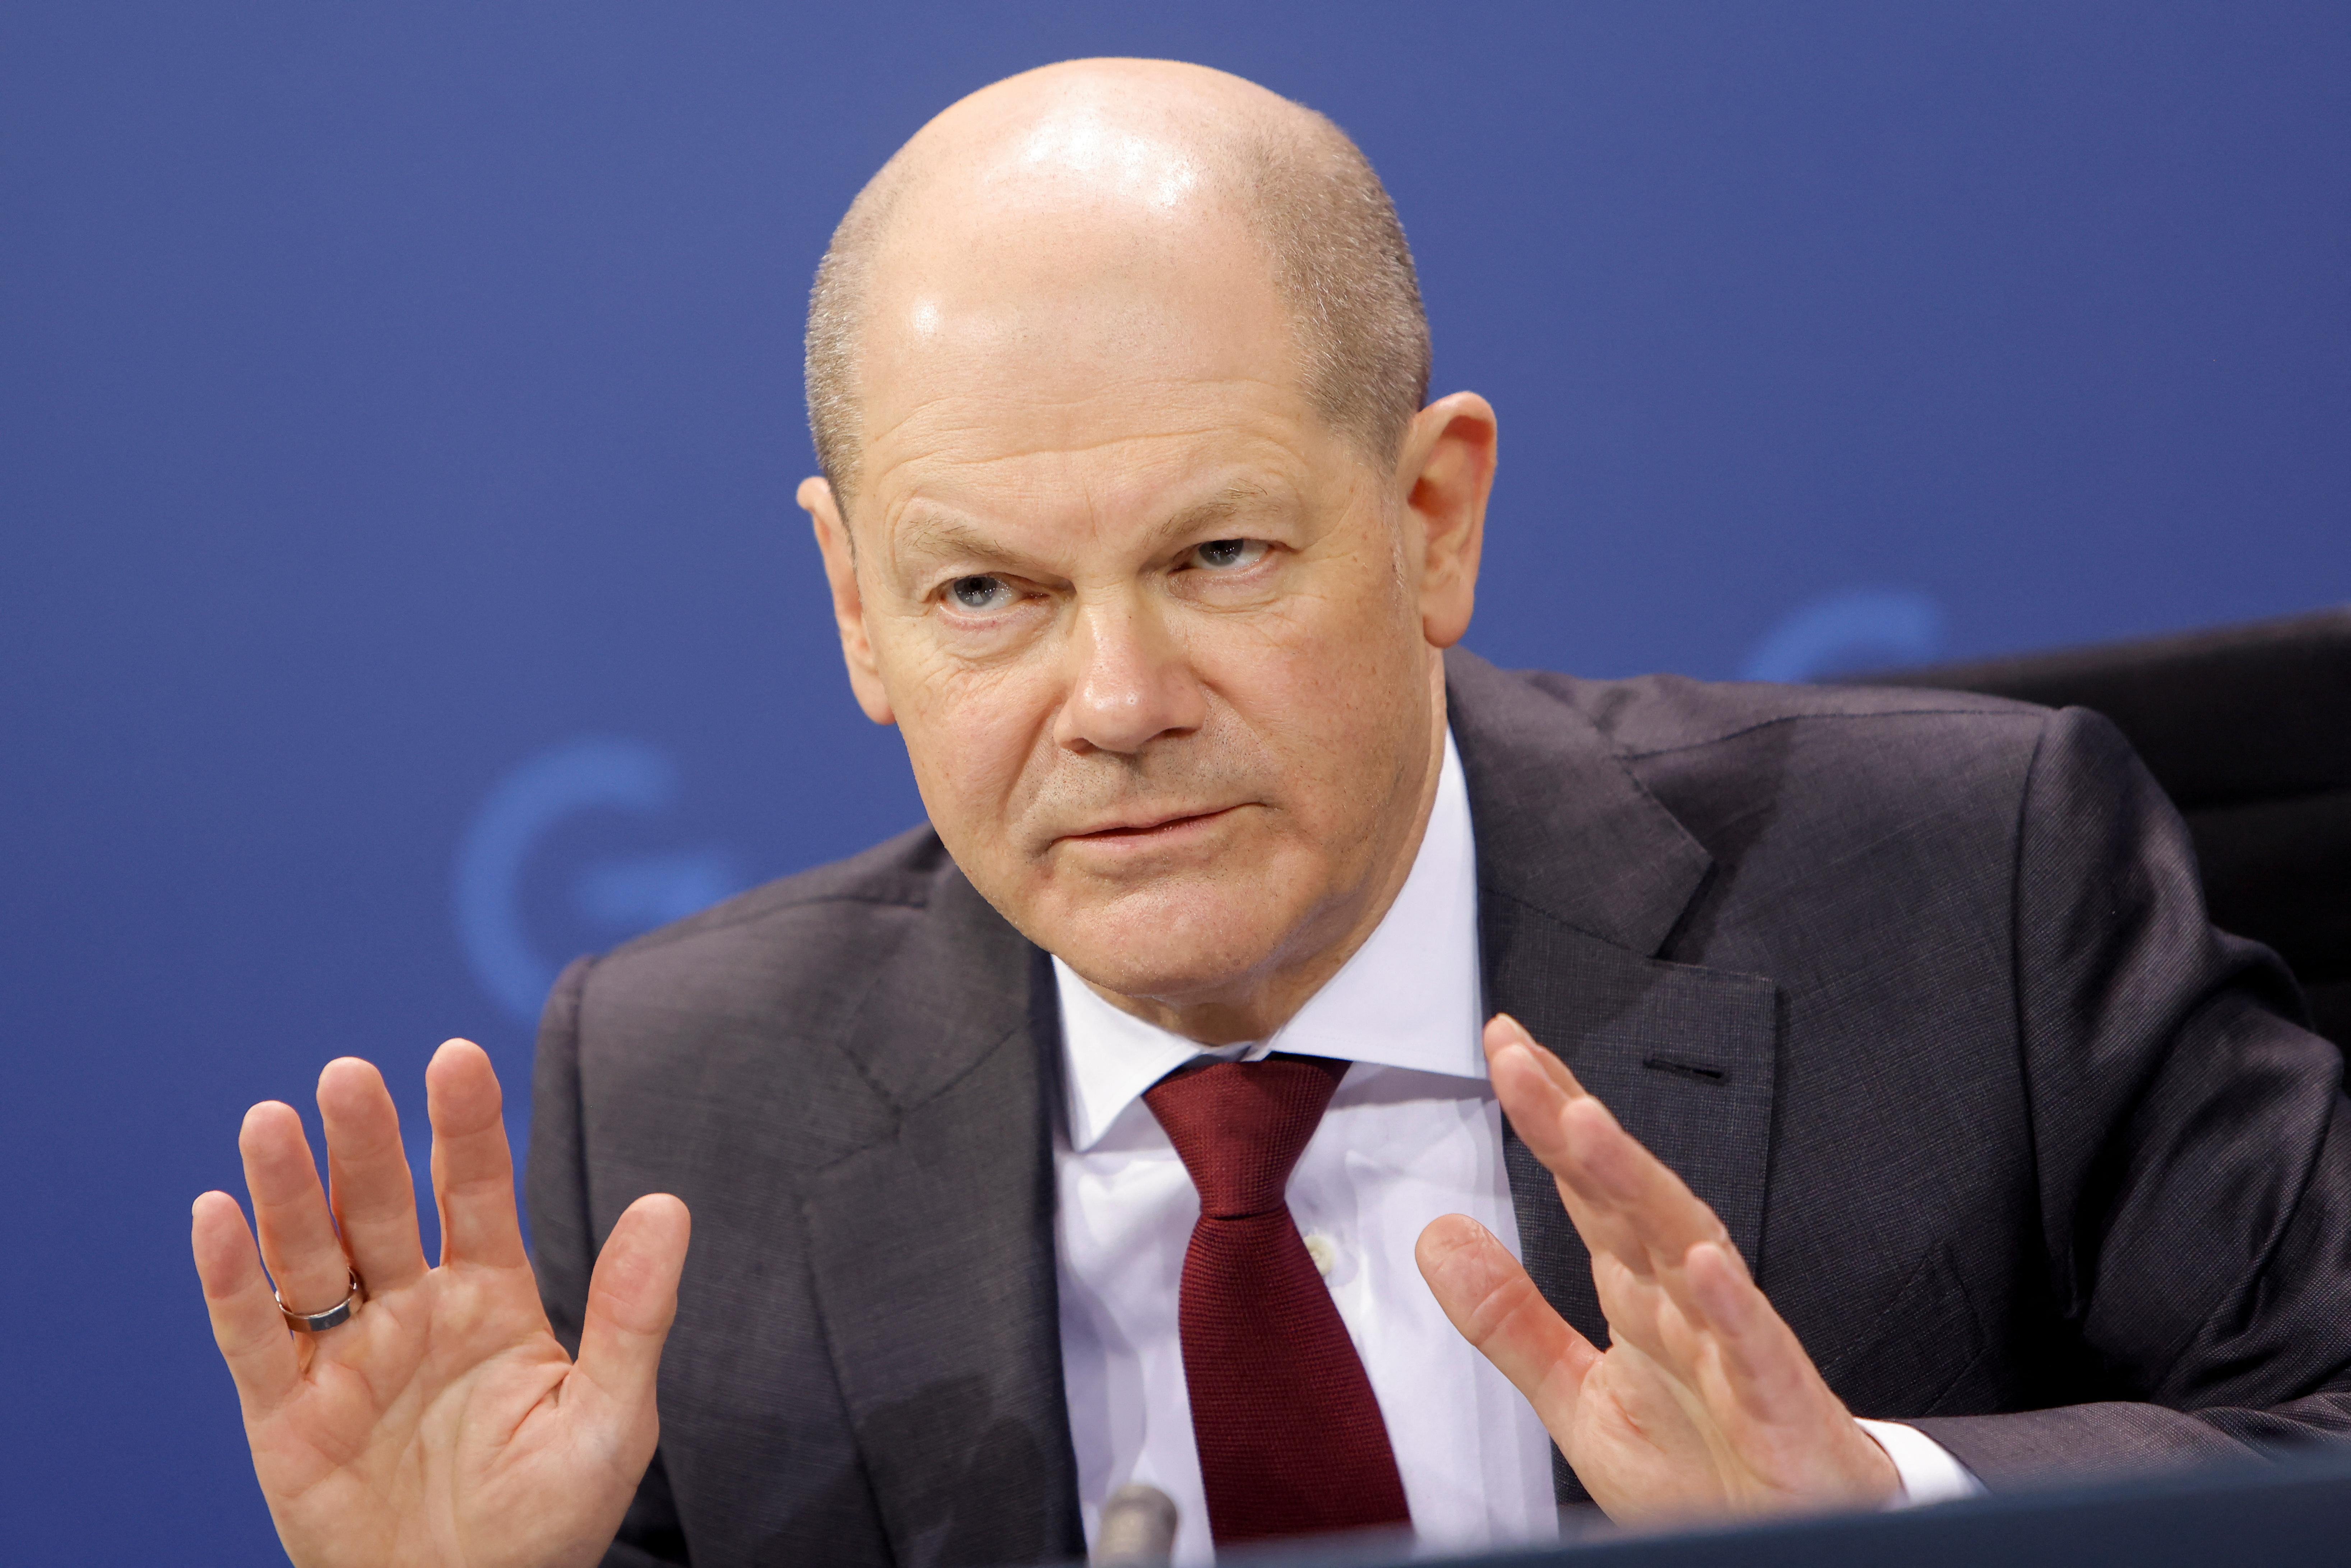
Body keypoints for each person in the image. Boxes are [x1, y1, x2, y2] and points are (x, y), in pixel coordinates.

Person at [190, 59, 2351, 1568]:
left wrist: (1882, 1516)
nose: (1113, 705)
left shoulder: (1962, 884)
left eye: (1218, 557)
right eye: (985, 595)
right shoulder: (672, 1100)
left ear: (1430, 516)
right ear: (854, 610)